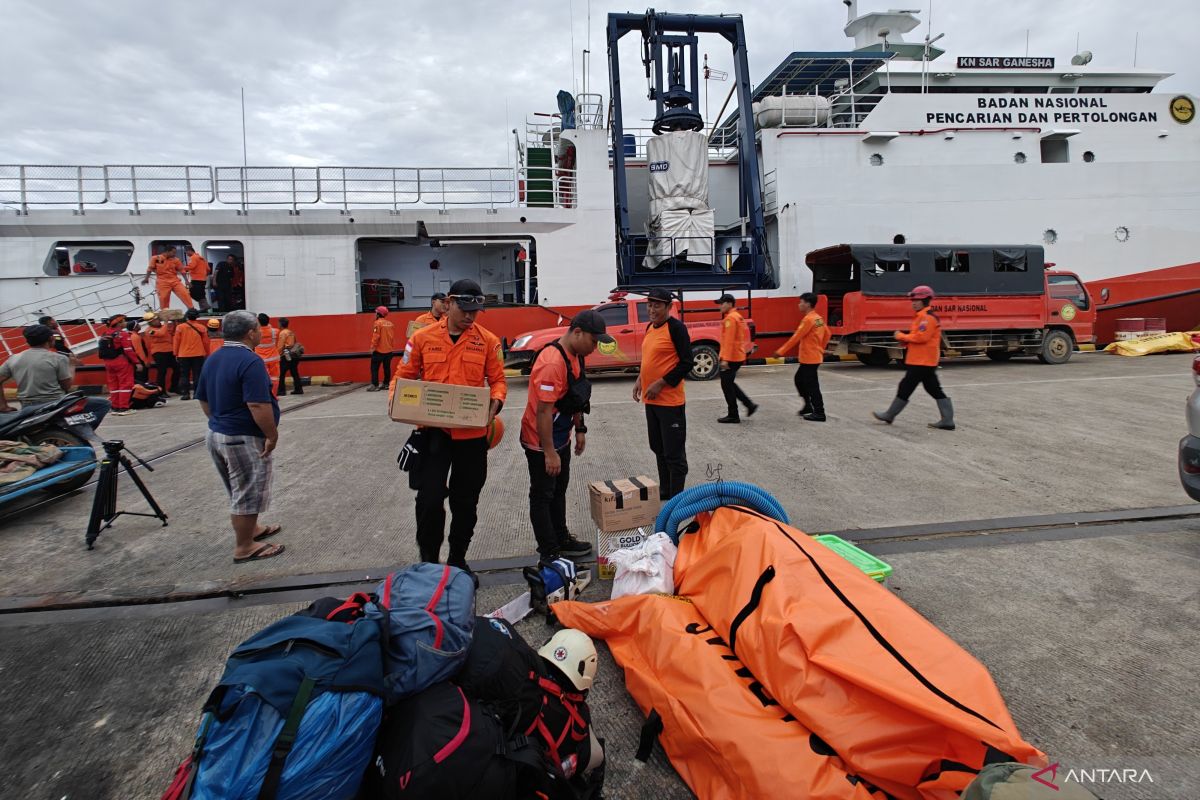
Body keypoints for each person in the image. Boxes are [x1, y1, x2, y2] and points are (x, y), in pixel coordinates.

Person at [396, 278, 506, 571]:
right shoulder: (422, 338)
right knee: (429, 500)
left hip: (471, 437)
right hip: (434, 434)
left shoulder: (488, 341)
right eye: (464, 309)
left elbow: (497, 381)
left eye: (475, 311)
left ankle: (458, 559)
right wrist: (401, 404)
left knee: (466, 501)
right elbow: (402, 376)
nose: (469, 316)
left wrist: (495, 402)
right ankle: (429, 563)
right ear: (449, 303)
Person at [195, 310, 286, 564]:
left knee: (238, 488)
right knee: (247, 491)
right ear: (250, 333)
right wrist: (271, 435)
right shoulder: (250, 361)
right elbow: (258, 404)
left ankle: (252, 530)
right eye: (257, 329)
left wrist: (220, 421)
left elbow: (204, 399)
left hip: (217, 433)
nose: (259, 332)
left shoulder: (213, 358)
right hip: (242, 436)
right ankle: (244, 547)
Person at [521, 310, 612, 560]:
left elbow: (576, 395)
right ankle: (549, 551)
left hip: (562, 436)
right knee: (542, 495)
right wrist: (549, 453)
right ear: (577, 332)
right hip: (541, 442)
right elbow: (543, 412)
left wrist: (580, 428)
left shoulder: (577, 355)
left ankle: (561, 538)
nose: (595, 347)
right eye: (593, 341)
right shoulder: (552, 362)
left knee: (558, 491)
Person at [633, 287, 692, 500]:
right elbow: (650, 359)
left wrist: (661, 383)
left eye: (657, 305)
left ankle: (677, 498)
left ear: (668, 307)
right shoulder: (650, 327)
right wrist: (641, 379)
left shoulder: (676, 329)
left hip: (670, 403)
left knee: (674, 454)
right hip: (652, 402)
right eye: (649, 305)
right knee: (658, 447)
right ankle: (666, 491)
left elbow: (687, 362)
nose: (651, 309)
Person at [873, 285, 955, 430]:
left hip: (922, 361)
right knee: (933, 388)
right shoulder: (922, 316)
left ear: (926, 300)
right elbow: (920, 337)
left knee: (906, 386)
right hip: (922, 360)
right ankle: (947, 420)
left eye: (918, 300)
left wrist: (901, 336)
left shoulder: (927, 318)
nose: (914, 302)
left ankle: (890, 414)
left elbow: (922, 337)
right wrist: (906, 340)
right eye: (913, 300)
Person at [0, 324, 110, 428]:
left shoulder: (14, 358)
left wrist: (3, 406)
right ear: (51, 339)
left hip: (27, 406)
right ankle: (76, 431)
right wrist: (71, 366)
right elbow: (66, 386)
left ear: (27, 341)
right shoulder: (58, 358)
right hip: (55, 403)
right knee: (103, 404)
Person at [775, 292, 831, 421]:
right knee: (799, 380)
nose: (799, 305)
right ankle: (808, 406)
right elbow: (827, 333)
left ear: (808, 304)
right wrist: (820, 348)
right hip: (813, 357)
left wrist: (781, 351)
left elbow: (796, 337)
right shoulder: (817, 318)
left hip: (809, 358)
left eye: (801, 302)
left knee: (812, 385)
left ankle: (819, 412)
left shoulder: (808, 320)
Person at [715, 293, 757, 424]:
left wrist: (725, 359)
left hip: (732, 357)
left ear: (729, 303)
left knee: (726, 385)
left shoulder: (730, 319)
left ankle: (733, 414)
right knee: (729, 384)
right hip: (737, 355)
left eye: (722, 304)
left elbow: (729, 340)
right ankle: (749, 405)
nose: (720, 307)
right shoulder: (737, 316)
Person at [100, 314, 139, 416]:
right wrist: (136, 362)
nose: (125, 323)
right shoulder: (123, 334)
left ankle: (115, 407)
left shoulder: (105, 334)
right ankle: (124, 408)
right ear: (119, 323)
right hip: (121, 362)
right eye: (124, 321)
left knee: (114, 386)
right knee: (125, 384)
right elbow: (128, 350)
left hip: (108, 363)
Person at [142, 245, 193, 310]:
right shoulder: (155, 258)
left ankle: (191, 310)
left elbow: (182, 270)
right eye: (173, 252)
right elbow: (150, 268)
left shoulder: (176, 260)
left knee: (185, 294)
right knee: (163, 298)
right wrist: (146, 278)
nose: (175, 254)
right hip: (162, 282)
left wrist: (186, 281)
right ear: (167, 251)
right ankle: (165, 315)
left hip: (175, 281)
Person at [173, 308, 209, 400]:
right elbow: (206, 342)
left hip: (183, 354)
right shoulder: (202, 328)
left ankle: (185, 394)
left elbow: (176, 341)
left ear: (187, 316)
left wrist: (176, 353)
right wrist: (207, 353)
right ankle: (197, 393)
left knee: (184, 374)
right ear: (197, 317)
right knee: (197, 374)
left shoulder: (180, 327)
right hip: (198, 353)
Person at [141, 312, 178, 394]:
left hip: (169, 351)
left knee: (177, 368)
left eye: (157, 319)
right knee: (162, 371)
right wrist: (165, 322)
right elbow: (161, 333)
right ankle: (161, 391)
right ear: (150, 322)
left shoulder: (163, 327)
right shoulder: (149, 331)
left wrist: (174, 322)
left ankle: (174, 387)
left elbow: (171, 332)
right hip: (159, 353)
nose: (157, 321)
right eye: (155, 320)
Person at [367, 306, 396, 392]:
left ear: (378, 314)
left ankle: (375, 385)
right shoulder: (390, 324)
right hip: (389, 351)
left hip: (379, 351)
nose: (375, 314)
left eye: (376, 312)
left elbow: (376, 336)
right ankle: (386, 384)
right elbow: (391, 337)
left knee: (374, 368)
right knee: (387, 368)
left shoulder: (377, 323)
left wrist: (372, 347)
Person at [254, 313, 281, 398]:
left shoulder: (255, 333)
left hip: (261, 360)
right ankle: (274, 395)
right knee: (275, 378)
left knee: (264, 378)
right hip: (274, 358)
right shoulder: (275, 331)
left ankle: (266, 396)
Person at [277, 317, 303, 395]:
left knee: (281, 374)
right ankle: (298, 389)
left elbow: (281, 345)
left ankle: (281, 390)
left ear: (281, 324)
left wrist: (278, 354)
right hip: (294, 354)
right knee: (294, 372)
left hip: (286, 354)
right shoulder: (291, 332)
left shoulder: (282, 333)